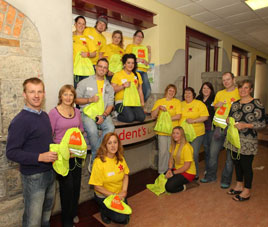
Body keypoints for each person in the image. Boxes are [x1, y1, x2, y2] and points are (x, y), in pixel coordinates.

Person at [6, 77, 57, 227]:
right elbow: (11, 152)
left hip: (50, 173)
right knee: (32, 221)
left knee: (46, 216)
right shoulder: (20, 121)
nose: (36, 95)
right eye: (32, 92)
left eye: (39, 91)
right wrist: (40, 157)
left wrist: (60, 150)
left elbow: (46, 142)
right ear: (24, 94)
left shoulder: (44, 116)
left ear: (44, 93)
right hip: (33, 178)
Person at [224, 80, 266, 201]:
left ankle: (247, 191)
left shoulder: (256, 103)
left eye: (246, 88)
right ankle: (239, 185)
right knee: (237, 163)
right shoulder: (235, 103)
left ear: (251, 90)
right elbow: (230, 116)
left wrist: (246, 125)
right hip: (234, 139)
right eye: (241, 88)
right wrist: (228, 120)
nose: (243, 90)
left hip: (248, 140)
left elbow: (262, 123)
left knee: (246, 165)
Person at [49, 85, 84, 226]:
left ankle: (74, 212)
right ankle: (67, 220)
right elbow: (49, 135)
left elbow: (80, 131)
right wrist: (60, 152)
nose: (68, 97)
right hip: (62, 157)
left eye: (71, 95)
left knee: (76, 186)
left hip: (76, 154)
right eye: (65, 95)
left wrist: (81, 148)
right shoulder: (54, 113)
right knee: (66, 189)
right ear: (60, 96)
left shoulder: (77, 111)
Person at [200, 72, 240, 189]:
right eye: (224, 80)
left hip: (233, 128)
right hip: (219, 128)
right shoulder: (220, 93)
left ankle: (226, 180)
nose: (226, 82)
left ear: (233, 79)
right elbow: (215, 107)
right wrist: (217, 105)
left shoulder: (239, 92)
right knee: (213, 153)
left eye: (228, 79)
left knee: (229, 157)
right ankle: (211, 176)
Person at [76, 58, 114, 170]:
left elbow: (110, 105)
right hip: (87, 113)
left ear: (107, 70)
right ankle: (98, 155)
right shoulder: (84, 82)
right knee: (92, 131)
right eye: (100, 66)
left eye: (105, 67)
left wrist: (104, 116)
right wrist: (89, 100)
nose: (102, 69)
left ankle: (94, 157)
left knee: (111, 128)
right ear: (95, 67)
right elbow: (76, 100)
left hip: (103, 114)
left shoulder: (109, 86)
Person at [89, 132, 130, 224]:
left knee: (126, 218)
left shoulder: (121, 158)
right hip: (104, 195)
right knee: (121, 218)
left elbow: (125, 175)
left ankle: (112, 210)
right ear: (105, 145)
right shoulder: (98, 162)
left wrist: (124, 191)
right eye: (109, 143)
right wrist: (114, 196)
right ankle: (103, 210)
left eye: (115, 142)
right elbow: (97, 186)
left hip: (118, 194)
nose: (113, 146)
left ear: (118, 144)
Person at [179, 87, 209, 180]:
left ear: (193, 95)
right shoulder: (181, 104)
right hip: (184, 134)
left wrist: (193, 120)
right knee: (184, 153)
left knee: (194, 153)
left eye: (189, 93)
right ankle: (185, 170)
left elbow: (205, 117)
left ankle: (194, 173)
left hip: (197, 133)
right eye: (185, 93)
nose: (187, 95)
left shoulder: (199, 104)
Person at [151, 84, 182, 174]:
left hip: (174, 132)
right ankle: (161, 172)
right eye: (170, 90)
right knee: (163, 152)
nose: (171, 92)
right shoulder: (159, 101)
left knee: (172, 152)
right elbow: (153, 115)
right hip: (162, 132)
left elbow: (178, 116)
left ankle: (170, 170)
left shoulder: (177, 102)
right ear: (166, 91)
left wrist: (166, 119)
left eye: (173, 91)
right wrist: (158, 108)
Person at [111, 53, 146, 123]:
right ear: (124, 64)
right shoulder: (117, 74)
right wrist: (123, 86)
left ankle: (130, 112)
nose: (131, 65)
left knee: (142, 117)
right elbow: (112, 89)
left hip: (133, 102)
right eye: (128, 63)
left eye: (133, 63)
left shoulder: (137, 75)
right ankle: (116, 114)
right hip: (121, 102)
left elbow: (140, 90)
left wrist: (142, 102)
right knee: (130, 118)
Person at [165, 127, 197, 193]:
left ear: (182, 135)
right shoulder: (173, 145)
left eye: (177, 133)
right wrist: (169, 169)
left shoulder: (187, 147)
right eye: (173, 133)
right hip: (178, 170)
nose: (174, 135)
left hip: (188, 173)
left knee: (169, 187)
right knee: (163, 177)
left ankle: (189, 185)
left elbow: (186, 166)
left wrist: (173, 173)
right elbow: (171, 159)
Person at [125, 30, 151, 102]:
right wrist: (137, 59)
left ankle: (139, 104)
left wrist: (149, 52)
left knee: (148, 90)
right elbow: (126, 58)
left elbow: (147, 62)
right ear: (134, 37)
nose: (140, 38)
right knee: (136, 89)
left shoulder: (144, 48)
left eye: (141, 37)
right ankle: (136, 105)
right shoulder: (130, 46)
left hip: (144, 71)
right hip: (135, 70)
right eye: (138, 36)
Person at [196, 82, 215, 173]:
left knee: (208, 148)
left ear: (211, 90)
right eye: (204, 88)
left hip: (209, 128)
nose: (206, 90)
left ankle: (208, 168)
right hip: (198, 127)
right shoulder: (198, 99)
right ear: (201, 89)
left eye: (208, 88)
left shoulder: (214, 99)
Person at [73, 15, 97, 88]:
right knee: (74, 91)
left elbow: (94, 53)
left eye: (83, 24)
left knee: (85, 90)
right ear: (75, 24)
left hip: (85, 70)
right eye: (79, 23)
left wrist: (88, 54)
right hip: (73, 69)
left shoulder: (88, 39)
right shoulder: (69, 36)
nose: (81, 26)